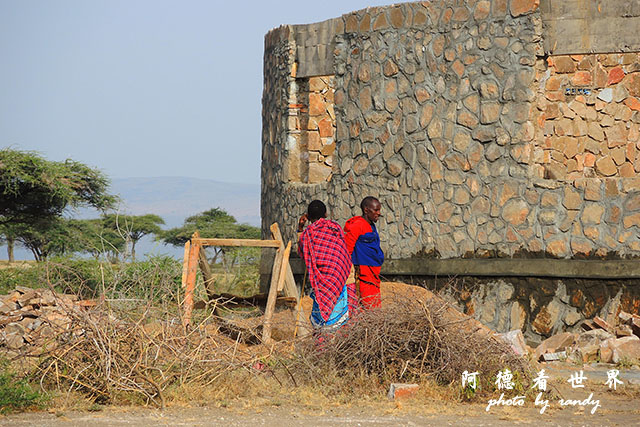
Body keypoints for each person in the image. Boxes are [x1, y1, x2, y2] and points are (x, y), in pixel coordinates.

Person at [297, 200, 356, 331]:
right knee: (348, 319)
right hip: (344, 275)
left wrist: (300, 228)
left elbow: (302, 252)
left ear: (308, 216)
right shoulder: (335, 227)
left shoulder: (307, 235)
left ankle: (324, 343)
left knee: (323, 319)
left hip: (324, 282)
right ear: (325, 213)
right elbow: (342, 248)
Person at [344, 196, 384, 309]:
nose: (379, 213)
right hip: (363, 273)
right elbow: (348, 249)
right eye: (376, 210)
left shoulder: (371, 226)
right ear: (366, 210)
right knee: (368, 306)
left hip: (373, 272)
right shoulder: (357, 225)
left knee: (374, 304)